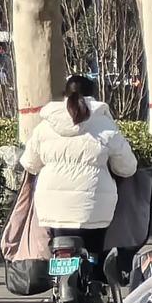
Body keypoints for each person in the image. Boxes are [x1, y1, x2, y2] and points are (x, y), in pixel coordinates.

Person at [20, 74, 138, 270]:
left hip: (52, 206)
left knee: (59, 241)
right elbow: (127, 167)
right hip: (94, 208)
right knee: (95, 251)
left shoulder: (45, 126)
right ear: (93, 96)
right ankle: (96, 281)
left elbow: (30, 164)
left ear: (64, 95)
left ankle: (59, 279)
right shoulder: (104, 125)